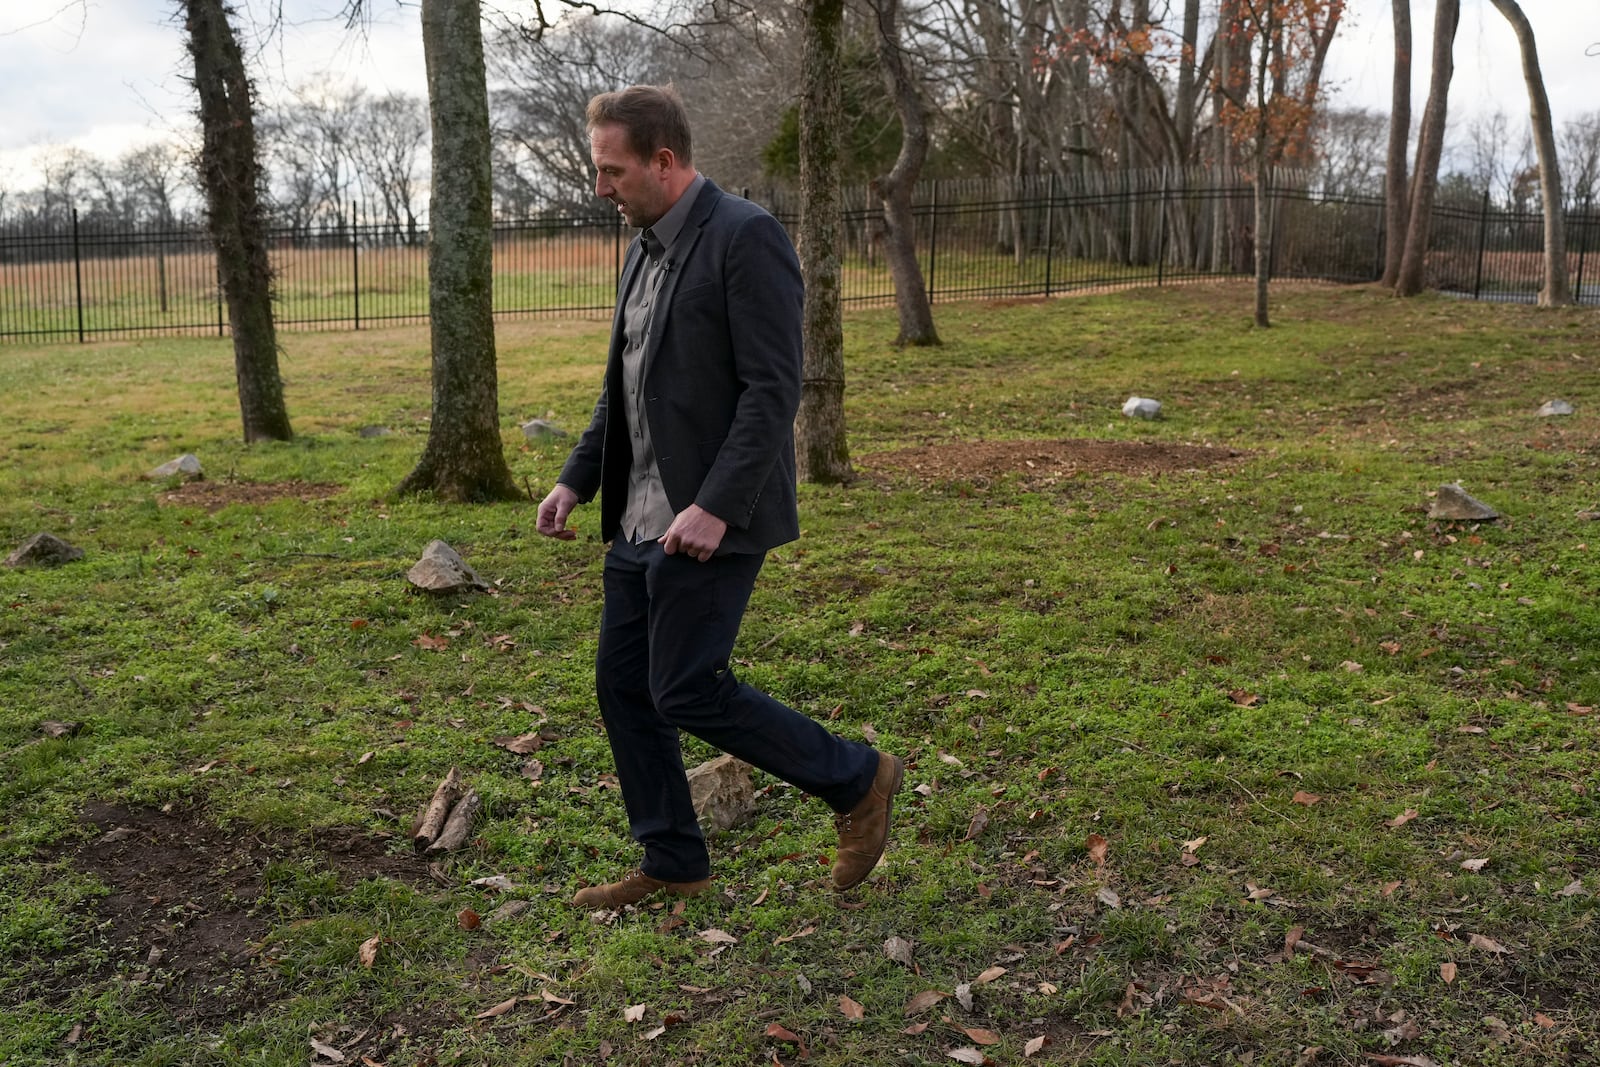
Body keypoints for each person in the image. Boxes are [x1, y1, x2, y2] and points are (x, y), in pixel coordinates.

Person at [536, 85, 903, 908]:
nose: (602, 188)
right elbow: (623, 388)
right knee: (624, 689)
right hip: (637, 519)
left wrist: (717, 503)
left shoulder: (745, 237)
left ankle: (858, 778)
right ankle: (672, 861)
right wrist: (575, 476)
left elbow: (774, 390)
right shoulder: (640, 247)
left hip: (707, 522)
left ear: (664, 162)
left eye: (613, 170)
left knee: (685, 685)